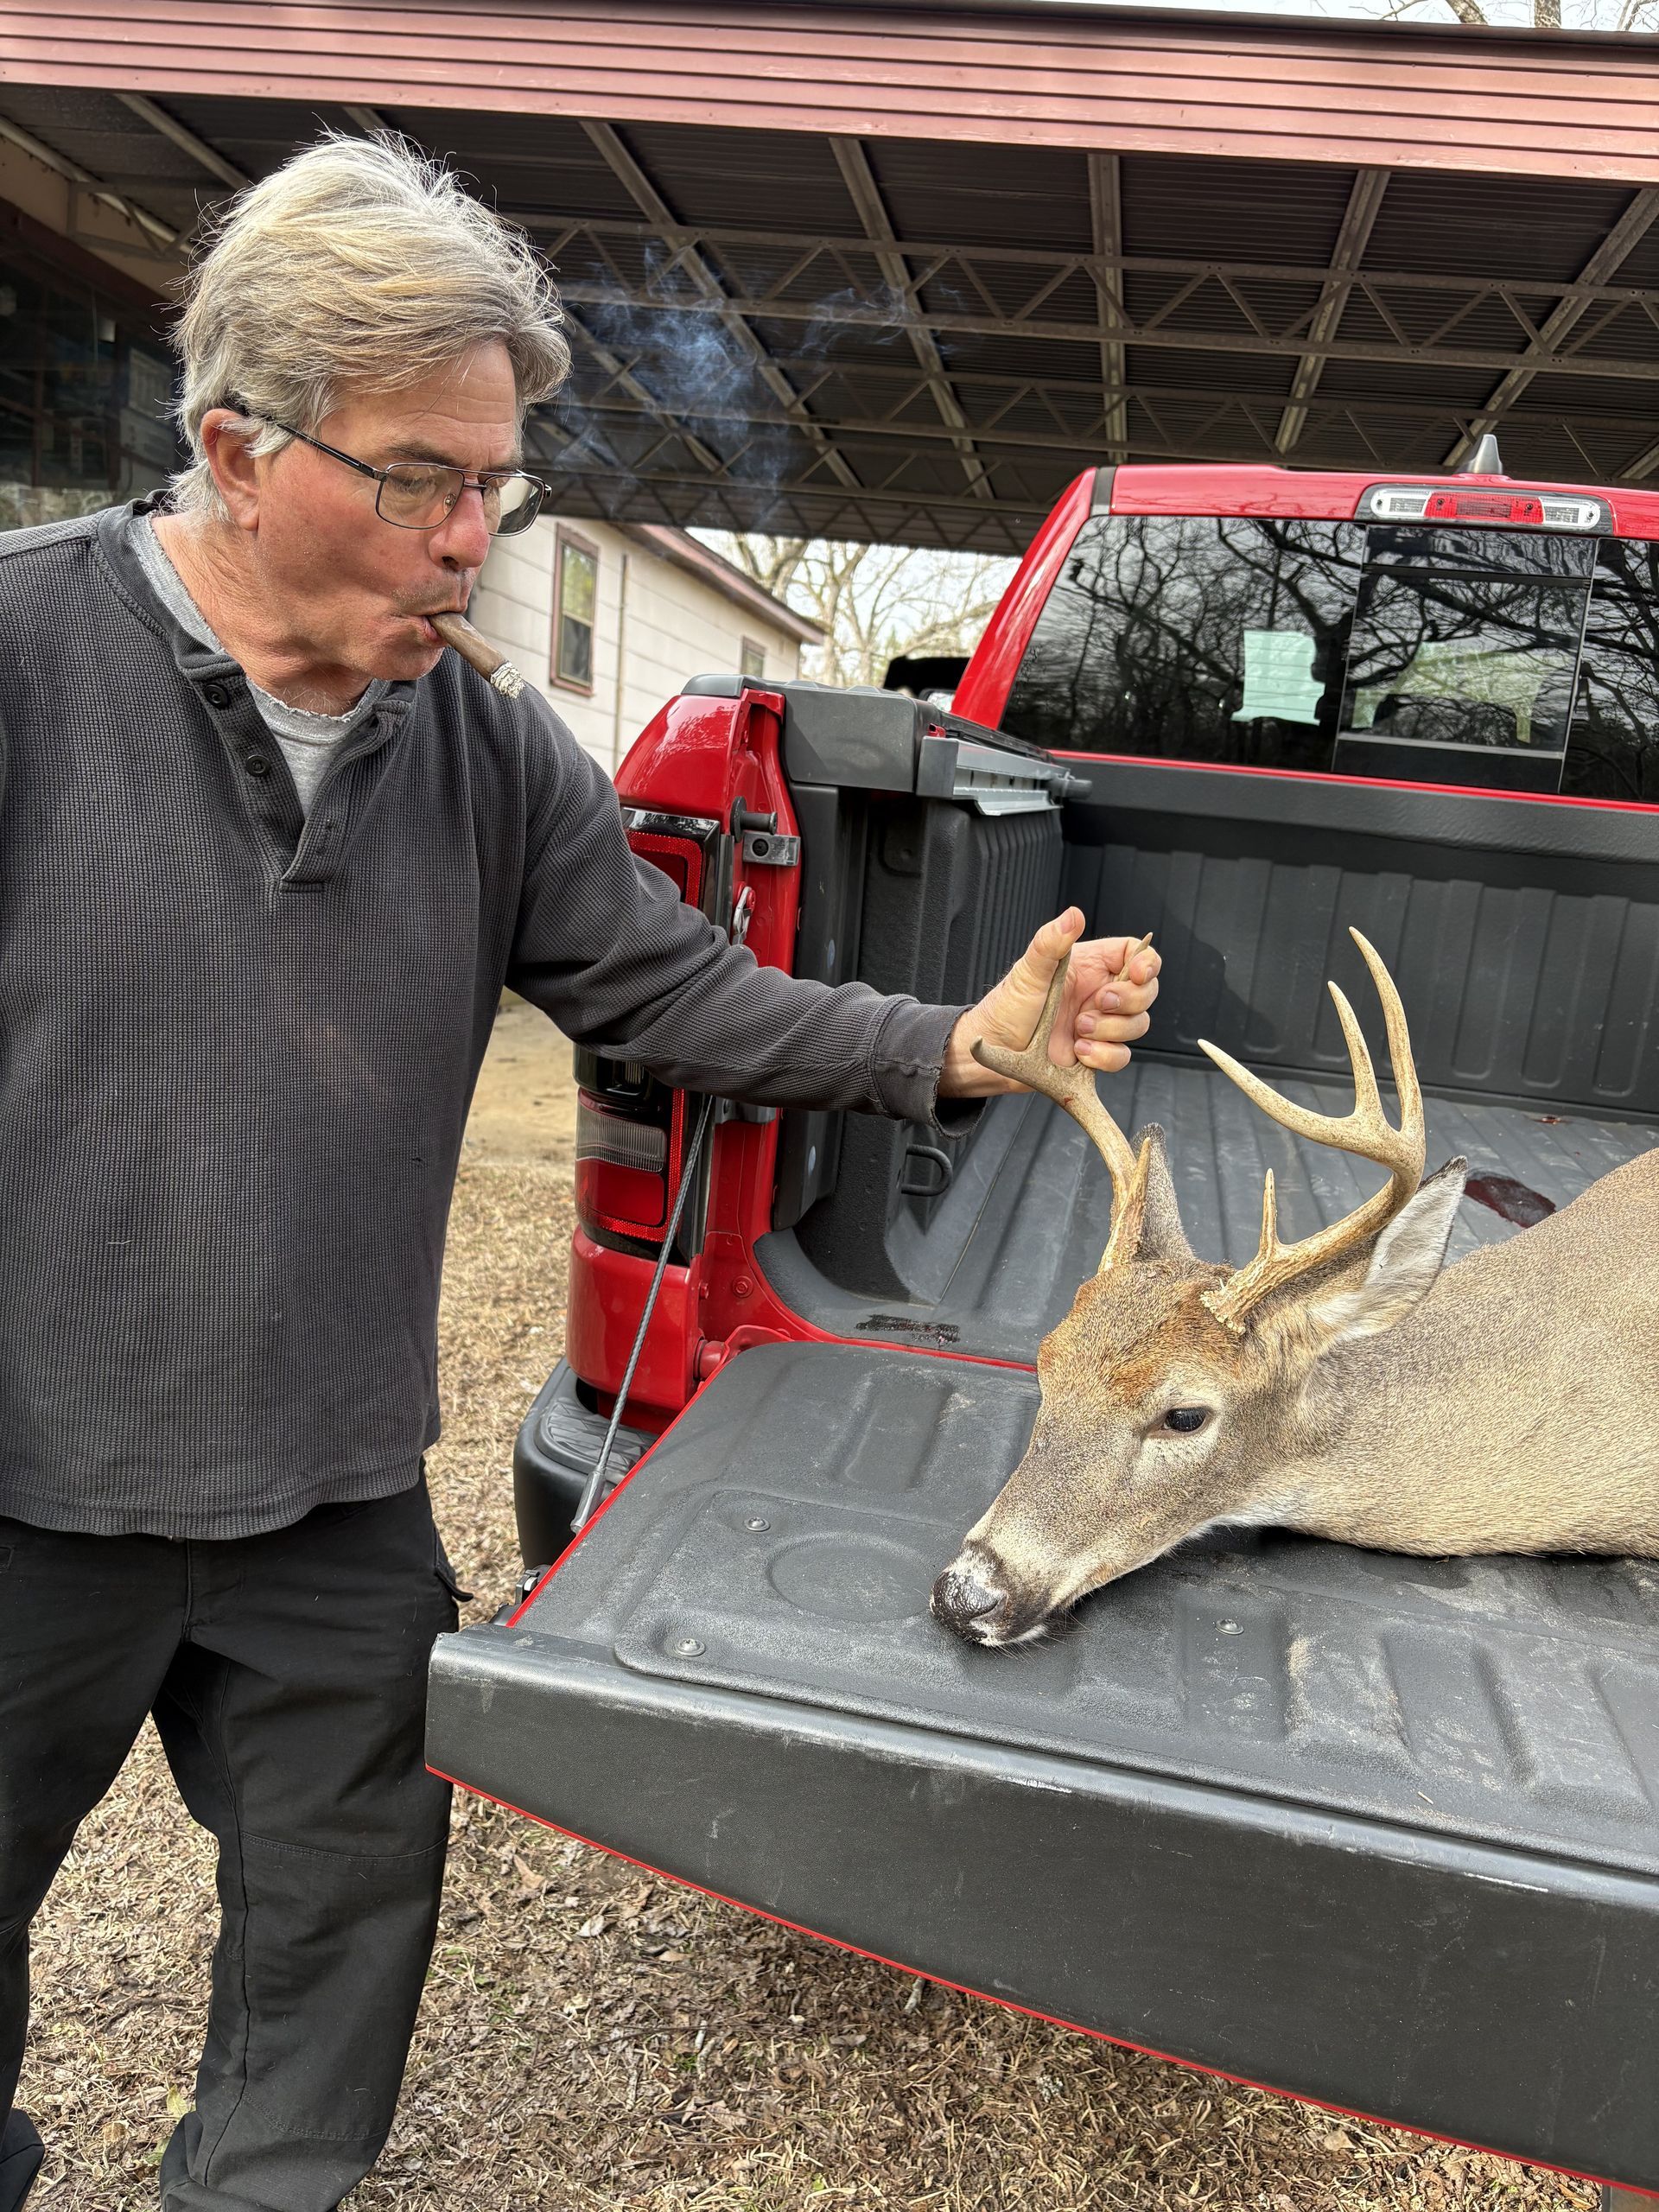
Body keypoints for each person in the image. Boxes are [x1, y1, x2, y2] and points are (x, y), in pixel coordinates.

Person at [0, 135, 1160, 2212]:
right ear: (236, 449)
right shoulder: (23, 664)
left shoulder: (494, 750)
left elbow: (674, 991)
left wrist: (953, 1049)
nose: (474, 535)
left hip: (331, 1491)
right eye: (423, 478)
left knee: (340, 1925)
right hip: (23, 1470)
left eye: (499, 486)